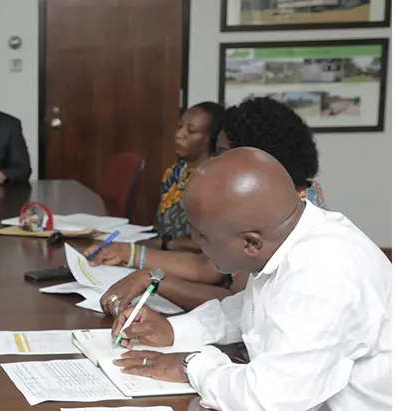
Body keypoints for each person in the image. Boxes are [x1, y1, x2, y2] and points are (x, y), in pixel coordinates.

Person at [110, 147, 391, 411]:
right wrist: (173, 331)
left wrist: (191, 365)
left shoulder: (324, 274)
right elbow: (253, 308)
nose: (195, 243)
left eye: (202, 237)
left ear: (251, 244)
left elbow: (267, 400)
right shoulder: (289, 236)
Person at [86, 97, 329, 312]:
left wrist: (154, 280)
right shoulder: (284, 195)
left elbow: (237, 303)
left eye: (222, 153)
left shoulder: (280, 211)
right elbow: (209, 266)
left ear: (259, 157)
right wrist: (131, 254)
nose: (213, 161)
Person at [147, 101, 225, 253]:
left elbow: (215, 242)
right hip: (162, 255)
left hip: (195, 263)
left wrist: (166, 244)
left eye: (191, 131)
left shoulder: (216, 179)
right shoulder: (174, 173)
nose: (179, 135)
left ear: (211, 137)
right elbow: (159, 227)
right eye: (179, 126)